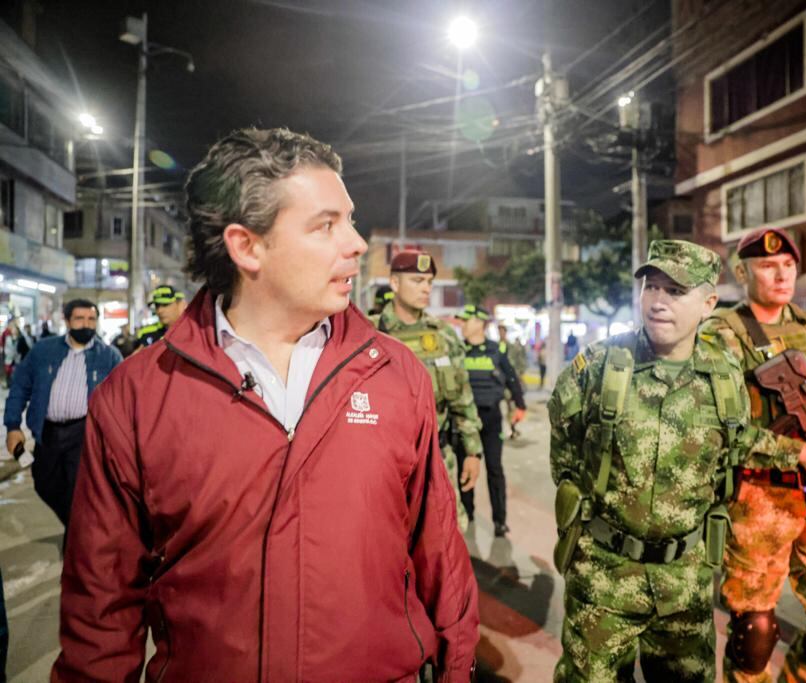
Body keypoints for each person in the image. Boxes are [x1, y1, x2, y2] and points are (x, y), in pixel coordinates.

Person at [53, 128, 478, 681]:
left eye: (348, 220)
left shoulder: (397, 375)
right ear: (246, 245)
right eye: (326, 225)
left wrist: (458, 668)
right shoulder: (137, 396)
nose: (355, 243)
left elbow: (439, 555)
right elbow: (100, 615)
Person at [548, 240, 806, 682]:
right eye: (651, 287)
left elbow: (737, 440)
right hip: (604, 578)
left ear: (708, 303)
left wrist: (805, 454)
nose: (657, 302)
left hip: (685, 583)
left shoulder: (723, 373)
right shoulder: (600, 365)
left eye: (675, 292)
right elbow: (564, 440)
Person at [701, 227, 806, 682]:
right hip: (760, 498)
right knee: (754, 633)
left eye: (789, 265)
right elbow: (721, 426)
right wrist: (799, 454)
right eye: (767, 266)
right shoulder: (723, 334)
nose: (781, 274)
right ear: (741, 272)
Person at [369, 250, 483, 531]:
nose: (426, 288)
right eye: (417, 280)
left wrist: (472, 452)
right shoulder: (369, 334)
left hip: (437, 458)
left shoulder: (443, 336)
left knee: (443, 540)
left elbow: (462, 398)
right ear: (395, 283)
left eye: (429, 282)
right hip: (384, 465)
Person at [4, 299, 121, 526]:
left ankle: (77, 539)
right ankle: (77, 529)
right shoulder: (43, 350)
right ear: (67, 321)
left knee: (76, 490)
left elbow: (122, 400)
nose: (86, 324)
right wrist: (13, 426)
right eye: (79, 319)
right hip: (47, 430)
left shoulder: (109, 356)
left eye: (91, 319)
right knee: (45, 483)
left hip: (84, 432)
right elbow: (20, 386)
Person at [455, 305, 526, 536]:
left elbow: (512, 378)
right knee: (464, 467)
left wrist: (520, 404)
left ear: (480, 324)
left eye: (467, 321)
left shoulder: (497, 351)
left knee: (494, 469)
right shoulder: (458, 350)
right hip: (465, 421)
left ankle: (499, 520)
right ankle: (468, 513)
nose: (462, 325)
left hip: (491, 417)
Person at [133, 284, 188, 350]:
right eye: (157, 305)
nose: (159, 310)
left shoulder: (192, 333)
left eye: (165, 304)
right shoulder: (146, 333)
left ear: (181, 305)